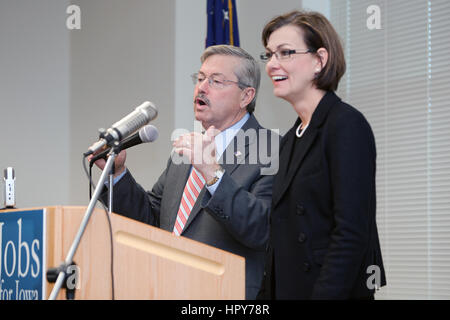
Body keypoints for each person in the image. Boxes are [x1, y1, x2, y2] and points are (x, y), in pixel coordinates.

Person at [92, 45, 279, 300]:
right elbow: (154, 221)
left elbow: (261, 229)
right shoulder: (188, 151)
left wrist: (213, 173)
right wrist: (117, 174)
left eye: (215, 81)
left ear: (246, 96)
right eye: (200, 78)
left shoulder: (270, 148)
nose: (202, 87)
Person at [257, 10, 386, 299]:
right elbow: (280, 239)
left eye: (285, 52)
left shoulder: (346, 125)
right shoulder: (290, 139)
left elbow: (351, 234)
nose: (272, 65)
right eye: (269, 55)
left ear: (320, 60)